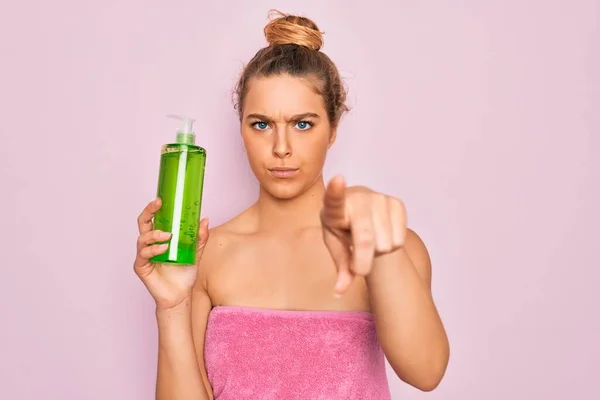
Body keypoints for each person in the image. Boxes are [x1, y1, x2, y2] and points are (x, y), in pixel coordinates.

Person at [133, 10, 449, 400]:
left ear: (332, 130)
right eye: (261, 124)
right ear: (242, 129)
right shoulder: (208, 253)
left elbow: (427, 372)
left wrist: (383, 251)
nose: (281, 148)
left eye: (303, 124)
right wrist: (172, 306)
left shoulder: (386, 244)